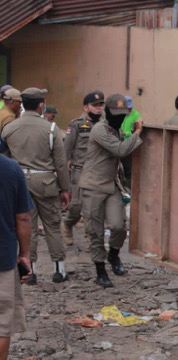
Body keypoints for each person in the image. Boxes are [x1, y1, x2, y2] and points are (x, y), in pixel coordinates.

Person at [2, 88, 70, 284]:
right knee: (53, 226)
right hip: (46, 182)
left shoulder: (10, 128)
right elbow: (60, 162)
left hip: (20, 182)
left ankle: (30, 270)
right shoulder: (50, 129)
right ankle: (59, 269)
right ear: (41, 105)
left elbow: (5, 156)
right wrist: (65, 189)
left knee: (26, 227)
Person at [79, 94, 143, 288]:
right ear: (107, 112)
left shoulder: (116, 130)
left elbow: (123, 143)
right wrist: (138, 132)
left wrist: (130, 134)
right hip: (93, 186)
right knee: (95, 231)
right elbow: (121, 150)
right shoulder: (100, 129)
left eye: (123, 114)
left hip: (111, 185)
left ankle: (113, 255)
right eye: (115, 114)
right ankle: (100, 270)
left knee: (118, 226)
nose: (119, 118)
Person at [0, 153, 33, 360]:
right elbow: (22, 216)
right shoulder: (11, 169)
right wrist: (25, 254)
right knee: (2, 322)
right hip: (3, 256)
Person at [62, 91, 105, 247]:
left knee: (93, 207)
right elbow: (66, 150)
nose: (99, 108)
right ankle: (67, 224)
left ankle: (91, 239)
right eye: (95, 106)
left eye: (101, 105)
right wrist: (63, 173)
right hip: (80, 170)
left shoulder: (105, 124)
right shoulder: (77, 125)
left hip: (99, 171)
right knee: (77, 205)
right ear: (86, 107)